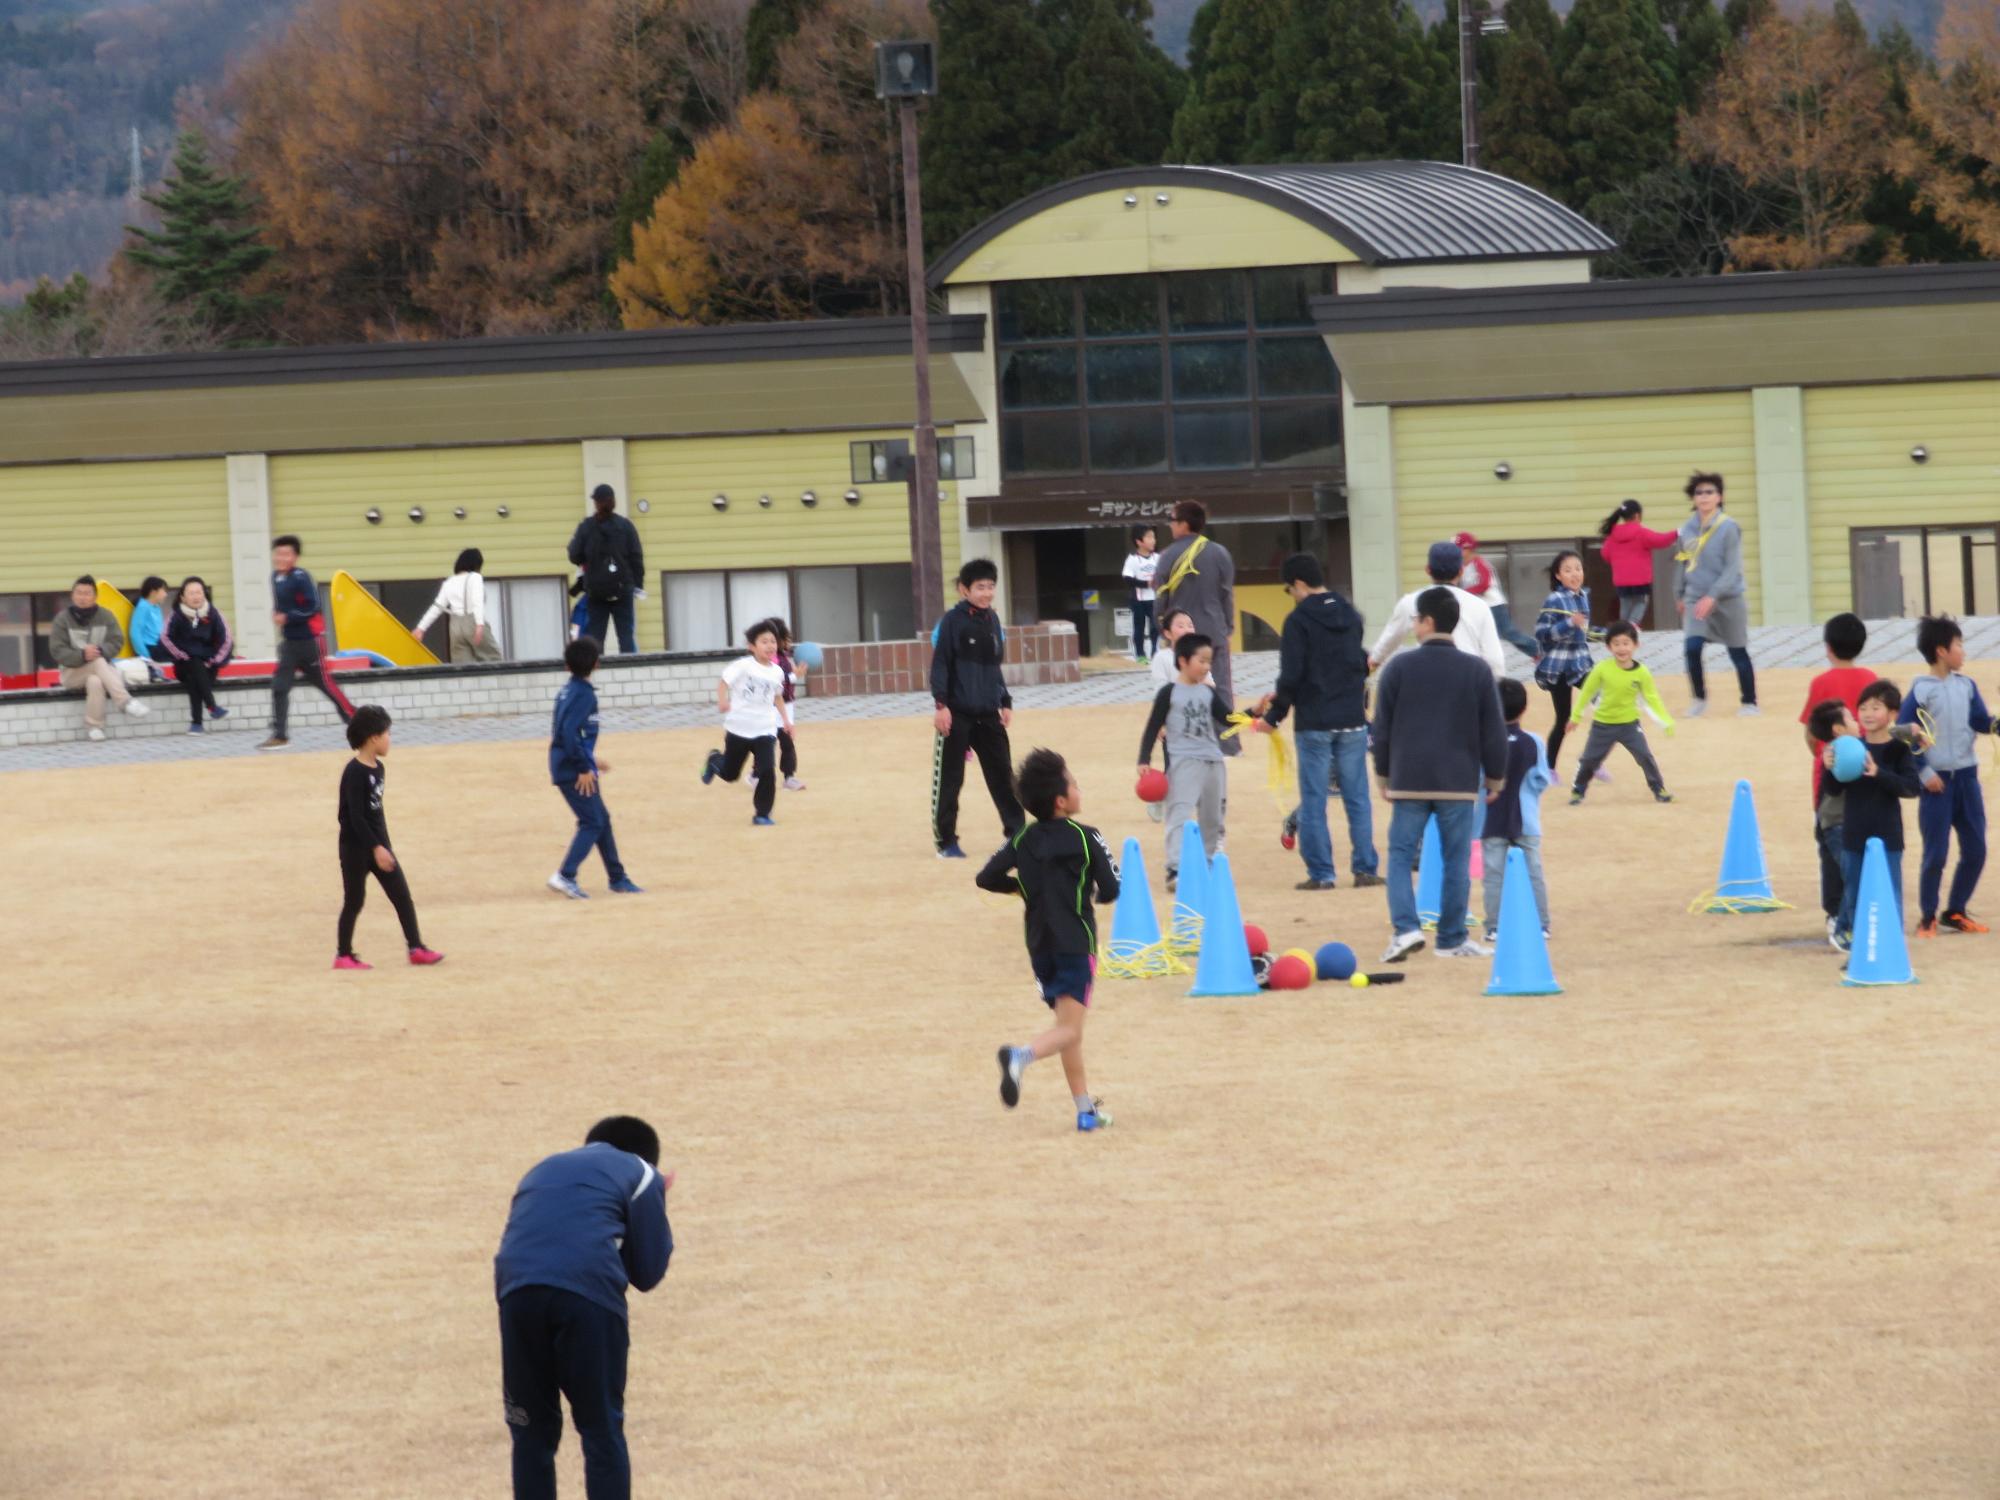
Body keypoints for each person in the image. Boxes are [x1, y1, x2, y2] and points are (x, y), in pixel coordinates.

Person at [494, 1115, 673, 1500]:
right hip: (586, 1295)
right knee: (601, 1430)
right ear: (648, 1156)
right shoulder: (642, 1172)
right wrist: (657, 1200)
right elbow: (648, 1272)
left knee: (530, 1432)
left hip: (516, 1294)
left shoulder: (542, 1168)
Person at [981, 747, 1120, 1133]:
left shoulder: (1023, 838)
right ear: (1061, 801)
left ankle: (1085, 1110)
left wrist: (1023, 888)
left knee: (1066, 1029)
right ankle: (1019, 1057)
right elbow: (1112, 888)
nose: (1079, 787)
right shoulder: (1086, 836)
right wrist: (1097, 892)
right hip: (1076, 944)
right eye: (1074, 783)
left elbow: (986, 876)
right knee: (1070, 1030)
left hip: (1039, 945)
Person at [1372, 587, 1508, 963]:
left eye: (1416, 618)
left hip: (1408, 779)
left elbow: (1381, 727)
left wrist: (1383, 775)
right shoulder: (1477, 669)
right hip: (1459, 780)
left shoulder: (1398, 668)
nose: (1413, 624)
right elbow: (1493, 730)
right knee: (1456, 859)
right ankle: (1451, 938)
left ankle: (1405, 929)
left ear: (1428, 622)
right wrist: (1495, 778)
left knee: (1400, 855)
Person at [1252, 552, 1379, 892]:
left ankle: (1322, 873)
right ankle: (1365, 868)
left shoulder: (1298, 622)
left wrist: (1273, 717)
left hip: (1315, 722)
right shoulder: (1351, 614)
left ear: (1299, 584)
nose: (1291, 595)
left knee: (1313, 799)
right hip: (1352, 719)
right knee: (1357, 798)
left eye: (1289, 589)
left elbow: (1292, 676)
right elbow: (1360, 662)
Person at [1901, 614, 1997, 938]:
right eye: (1959, 645)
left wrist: (1996, 724)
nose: (1963, 651)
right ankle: (1927, 916)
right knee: (1936, 853)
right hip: (1937, 785)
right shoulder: (1920, 690)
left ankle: (1954, 910)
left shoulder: (1967, 686)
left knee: (1976, 850)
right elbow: (1904, 733)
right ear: (1941, 651)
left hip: (1967, 780)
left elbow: (1982, 721)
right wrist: (1924, 771)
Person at [333, 705, 444, 970]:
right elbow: (353, 818)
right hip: (356, 849)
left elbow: (376, 813)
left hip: (379, 846)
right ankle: (343, 955)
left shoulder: (378, 768)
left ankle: (416, 948)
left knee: (402, 896)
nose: (390, 739)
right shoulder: (355, 772)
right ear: (373, 737)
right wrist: (375, 848)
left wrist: (385, 846)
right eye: (387, 734)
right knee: (355, 900)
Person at [930, 558, 1024, 858]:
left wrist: (1004, 700)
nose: (986, 593)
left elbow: (994, 666)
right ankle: (946, 841)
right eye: (980, 587)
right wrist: (941, 705)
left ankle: (1017, 836)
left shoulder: (992, 620)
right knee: (951, 779)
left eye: (990, 586)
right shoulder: (952, 621)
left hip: (988, 713)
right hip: (957, 712)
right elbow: (941, 664)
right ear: (963, 589)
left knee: (1003, 777)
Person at [1799, 613, 1878, 942]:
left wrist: (1822, 756)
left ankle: (1835, 913)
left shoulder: (1821, 683)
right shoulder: (1871, 678)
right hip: (1866, 772)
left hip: (1827, 779)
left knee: (1830, 847)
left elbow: (1810, 733)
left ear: (1828, 647)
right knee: (1864, 840)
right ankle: (1864, 905)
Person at [547, 637, 642, 900]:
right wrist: (583, 767)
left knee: (602, 819)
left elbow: (565, 732)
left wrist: (591, 758)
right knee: (592, 821)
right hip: (572, 769)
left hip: (571, 763)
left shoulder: (568, 691)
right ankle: (566, 875)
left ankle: (617, 878)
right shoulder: (583, 694)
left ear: (567, 666)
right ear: (597, 664)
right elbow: (567, 733)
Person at [1138, 633, 1233, 892]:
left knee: (1213, 816)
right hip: (1183, 761)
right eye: (1201, 661)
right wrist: (1144, 758)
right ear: (1183, 660)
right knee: (1179, 813)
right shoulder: (1169, 693)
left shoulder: (1208, 693)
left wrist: (1255, 713)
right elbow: (1152, 726)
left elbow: (1228, 718)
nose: (1206, 666)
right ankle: (1175, 869)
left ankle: (1208, 863)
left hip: (1213, 760)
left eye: (1209, 661)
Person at [1836, 681, 1923, 949]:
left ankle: (1892, 950)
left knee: (1890, 894)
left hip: (1888, 837)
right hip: (1854, 835)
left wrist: (1879, 773)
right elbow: (1833, 788)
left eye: (1876, 707)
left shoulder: (1898, 748)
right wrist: (1831, 767)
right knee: (1855, 896)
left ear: (1894, 714)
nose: (1868, 714)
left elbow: (1911, 787)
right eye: (1862, 708)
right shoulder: (1852, 747)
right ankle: (1860, 952)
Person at [1152, 501, 1239, 750]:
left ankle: (1189, 740)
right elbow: (1226, 594)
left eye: (1172, 520)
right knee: (1221, 687)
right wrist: (1228, 626)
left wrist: (1162, 627)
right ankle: (1229, 744)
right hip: (1214, 631)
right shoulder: (1220, 552)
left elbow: (1161, 596)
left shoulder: (1167, 556)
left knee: (1182, 689)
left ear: (1184, 524)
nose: (1170, 525)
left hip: (1182, 637)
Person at [259, 535, 354, 751]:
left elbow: (313, 607)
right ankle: (280, 735)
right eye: (278, 553)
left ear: (295, 557)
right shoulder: (274, 577)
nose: (281, 558)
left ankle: (355, 719)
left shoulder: (301, 577)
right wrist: (277, 614)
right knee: (279, 687)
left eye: (286, 554)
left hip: (309, 641)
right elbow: (281, 605)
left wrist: (288, 617)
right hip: (289, 644)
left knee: (325, 685)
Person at [1675, 472, 1757, 716]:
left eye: (1709, 492)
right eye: (1699, 492)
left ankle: (1749, 702)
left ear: (1719, 497)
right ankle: (1699, 699)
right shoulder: (1686, 530)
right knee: (1692, 647)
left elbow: (1733, 569)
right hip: (1694, 599)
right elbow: (1682, 562)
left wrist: (1713, 595)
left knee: (1737, 650)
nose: (1704, 497)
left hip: (1728, 598)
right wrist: (1679, 594)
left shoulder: (1729, 527)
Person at [1567, 623, 1675, 805]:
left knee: (1645, 756)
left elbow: (1652, 698)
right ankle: (1578, 789)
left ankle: (1659, 789)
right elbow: (1586, 692)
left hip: (1630, 725)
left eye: (1626, 643)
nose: (1621, 648)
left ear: (1635, 645)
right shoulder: (1602, 668)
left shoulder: (1642, 673)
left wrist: (1666, 721)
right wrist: (1575, 716)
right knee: (1589, 760)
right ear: (1609, 647)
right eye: (1616, 644)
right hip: (1602, 725)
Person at [700, 619, 792, 826]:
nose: (770, 645)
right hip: (738, 728)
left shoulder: (777, 671)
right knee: (730, 774)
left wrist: (786, 721)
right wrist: (723, 701)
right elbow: (724, 683)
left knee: (767, 770)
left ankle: (762, 813)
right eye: (764, 641)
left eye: (772, 641)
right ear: (752, 646)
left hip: (765, 729)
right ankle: (715, 760)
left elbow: (777, 696)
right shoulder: (743, 666)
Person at [1482, 677, 1554, 939]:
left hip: (1491, 819)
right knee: (1534, 871)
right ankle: (1541, 924)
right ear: (1523, 708)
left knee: (1493, 875)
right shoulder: (1533, 741)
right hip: (1526, 818)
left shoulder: (1483, 741)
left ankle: (1493, 927)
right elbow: (1541, 778)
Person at [1369, 540, 1505, 677]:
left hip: (1427, 678)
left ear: (1428, 569)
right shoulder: (1479, 605)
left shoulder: (1410, 601)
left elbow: (1391, 637)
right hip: (1469, 679)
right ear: (1461, 571)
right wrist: (1497, 683)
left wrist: (1375, 660)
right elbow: (1494, 658)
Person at [49, 575, 149, 741]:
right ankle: (125, 701)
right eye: (79, 593)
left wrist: (101, 650)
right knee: (96, 661)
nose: (82, 597)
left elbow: (117, 641)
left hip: (100, 671)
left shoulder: (106, 616)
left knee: (95, 680)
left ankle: (94, 727)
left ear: (95, 596)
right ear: (72, 596)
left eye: (87, 593)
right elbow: (57, 650)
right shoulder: (62, 619)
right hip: (71, 673)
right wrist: (82, 655)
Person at [1532, 551, 1595, 774]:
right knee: (1564, 718)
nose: (1574, 574)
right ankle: (1549, 768)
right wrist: (1569, 623)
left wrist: (1618, 635)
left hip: (1580, 664)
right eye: (1567, 570)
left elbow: (1586, 632)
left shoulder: (1583, 597)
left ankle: (1591, 760)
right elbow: (1541, 633)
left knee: (1603, 704)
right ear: (1558, 576)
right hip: (1557, 667)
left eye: (1578, 568)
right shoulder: (1554, 599)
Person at [567, 484, 644, 654]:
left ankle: (597, 672)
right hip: (623, 589)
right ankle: (630, 672)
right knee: (626, 637)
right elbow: (636, 557)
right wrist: (637, 586)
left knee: (595, 638)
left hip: (596, 592)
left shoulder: (586, 527)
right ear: (613, 502)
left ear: (595, 502)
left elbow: (574, 555)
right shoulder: (625, 526)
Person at [159, 576, 233, 733]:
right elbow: (165, 638)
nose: (196, 596)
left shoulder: (214, 614)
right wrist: (182, 656)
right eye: (191, 593)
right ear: (183, 597)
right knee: (193, 663)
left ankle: (197, 723)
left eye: (199, 592)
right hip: (183, 664)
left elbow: (226, 639)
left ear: (204, 594)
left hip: (209, 664)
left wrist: (214, 661)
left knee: (196, 677)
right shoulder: (176, 615)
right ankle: (212, 706)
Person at [1454, 532, 1538, 662]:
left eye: (1460, 549)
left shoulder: (1479, 563)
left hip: (1494, 604)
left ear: (1469, 549)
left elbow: (1484, 584)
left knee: (1508, 633)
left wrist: (1465, 593)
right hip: (1478, 606)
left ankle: (1537, 650)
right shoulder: (1461, 567)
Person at [1597, 498, 1680, 625]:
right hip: (1640, 579)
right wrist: (1677, 533)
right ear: (1637, 515)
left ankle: (1624, 627)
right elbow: (1660, 540)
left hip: (1621, 580)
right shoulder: (1641, 533)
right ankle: (1633, 624)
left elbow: (1605, 554)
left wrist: (1618, 562)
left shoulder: (1613, 535)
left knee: (1625, 604)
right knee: (1641, 602)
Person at [416, 548, 502, 663]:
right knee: (493, 659)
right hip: (472, 621)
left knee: (463, 667)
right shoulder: (474, 578)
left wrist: (421, 628)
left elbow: (437, 607)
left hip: (455, 627)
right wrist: (479, 625)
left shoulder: (449, 582)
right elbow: (477, 601)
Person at [758, 618, 807, 793]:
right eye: (785, 639)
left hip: (787, 706)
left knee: (787, 743)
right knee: (766, 743)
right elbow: (776, 680)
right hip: (771, 708)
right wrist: (795, 676)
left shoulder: (784, 657)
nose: (789, 642)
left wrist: (794, 672)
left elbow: (786, 675)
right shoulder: (771, 659)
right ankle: (757, 774)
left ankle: (789, 776)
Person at [1121, 525, 1160, 663]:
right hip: (1138, 599)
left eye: (1153, 537)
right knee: (1139, 626)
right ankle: (1140, 655)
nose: (1153, 540)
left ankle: (1156, 651)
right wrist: (1146, 584)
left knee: (1156, 626)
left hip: (1155, 598)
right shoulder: (1132, 559)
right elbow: (1127, 578)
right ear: (1139, 541)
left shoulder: (1158, 558)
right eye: (1149, 537)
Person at [129, 576, 171, 677]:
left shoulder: (156, 608)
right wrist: (146, 656)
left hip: (159, 646)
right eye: (163, 591)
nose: (166, 594)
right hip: (150, 649)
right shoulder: (143, 607)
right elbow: (135, 633)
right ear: (153, 592)